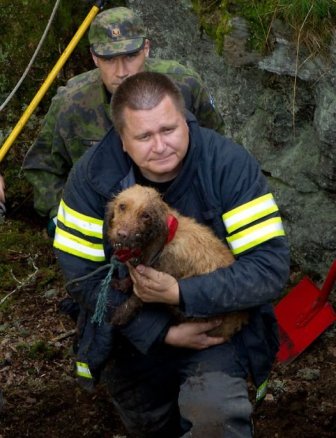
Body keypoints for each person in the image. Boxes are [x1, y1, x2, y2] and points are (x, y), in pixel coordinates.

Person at [53, 71, 290, 437]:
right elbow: (80, 275)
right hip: (131, 332)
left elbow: (269, 270)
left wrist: (182, 294)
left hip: (215, 330)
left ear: (186, 120)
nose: (161, 145)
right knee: (150, 424)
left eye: (169, 129)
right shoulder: (91, 178)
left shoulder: (227, 165)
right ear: (122, 141)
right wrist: (160, 331)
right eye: (144, 136)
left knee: (215, 416)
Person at [22, 6, 224, 237]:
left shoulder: (185, 86)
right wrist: (59, 213)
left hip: (182, 217)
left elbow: (214, 149)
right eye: (109, 59)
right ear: (94, 57)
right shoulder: (71, 103)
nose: (122, 71)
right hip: (105, 221)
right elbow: (42, 165)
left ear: (146, 48)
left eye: (130, 56)